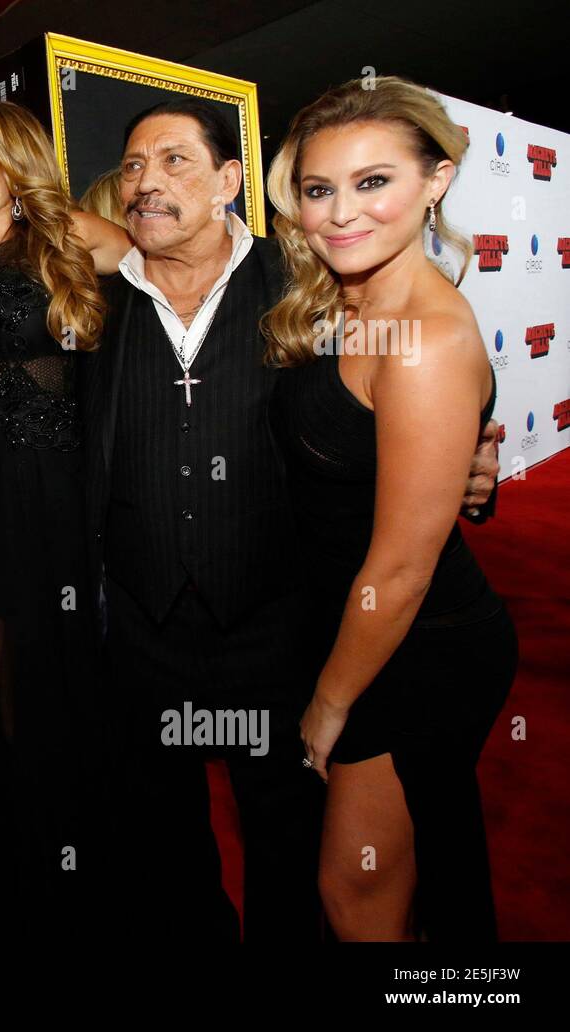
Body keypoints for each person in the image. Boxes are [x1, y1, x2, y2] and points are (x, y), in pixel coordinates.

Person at [81, 96, 500, 942]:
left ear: (231, 182)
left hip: (285, 627)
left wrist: (467, 467)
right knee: (162, 840)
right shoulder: (96, 299)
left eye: (174, 162)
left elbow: (406, 414)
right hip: (143, 626)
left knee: (302, 853)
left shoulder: (301, 279)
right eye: (132, 166)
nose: (146, 182)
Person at [265, 76, 517, 941]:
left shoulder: (424, 335)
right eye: (319, 189)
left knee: (357, 895)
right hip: (353, 623)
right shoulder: (344, 297)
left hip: (413, 646)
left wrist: (329, 703)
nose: (341, 213)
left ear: (436, 181)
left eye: (375, 182)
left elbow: (403, 567)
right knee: (411, 877)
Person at [0, 100, 127, 939]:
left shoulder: (65, 246)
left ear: (15, 162)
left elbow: (131, 248)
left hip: (53, 499)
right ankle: (13, 887)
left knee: (54, 686)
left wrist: (37, 206)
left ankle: (69, 885)